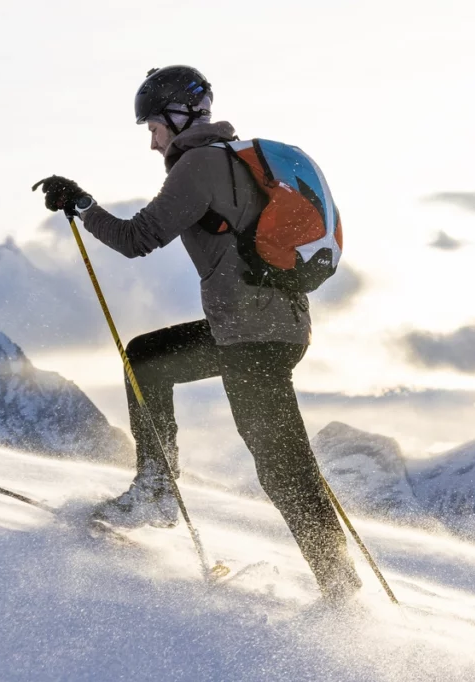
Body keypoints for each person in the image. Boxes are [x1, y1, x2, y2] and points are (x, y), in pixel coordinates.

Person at [34, 66, 361, 602]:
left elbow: (138, 238)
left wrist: (83, 206)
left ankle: (342, 592)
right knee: (147, 359)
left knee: (284, 471)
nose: (151, 139)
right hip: (265, 329)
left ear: (177, 116)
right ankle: (158, 485)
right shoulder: (234, 162)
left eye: (153, 126)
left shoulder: (199, 166)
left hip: (251, 337)